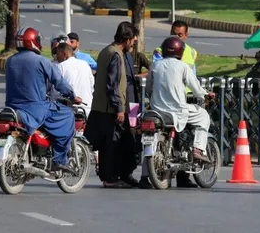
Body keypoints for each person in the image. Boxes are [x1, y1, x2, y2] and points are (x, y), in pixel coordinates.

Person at [5, 28, 80, 174]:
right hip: (36, 108)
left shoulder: (10, 61)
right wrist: (72, 95)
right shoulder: (41, 61)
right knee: (67, 115)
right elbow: (59, 82)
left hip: (12, 108)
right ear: (33, 42)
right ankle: (59, 160)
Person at [86, 21, 140, 188]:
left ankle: (120, 175)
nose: (134, 42)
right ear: (127, 38)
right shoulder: (115, 55)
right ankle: (110, 177)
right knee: (112, 144)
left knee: (121, 143)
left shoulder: (109, 51)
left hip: (115, 107)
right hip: (113, 108)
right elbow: (113, 84)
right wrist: (119, 109)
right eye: (133, 39)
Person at [148, 37, 214, 165]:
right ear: (180, 51)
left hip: (157, 110)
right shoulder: (183, 67)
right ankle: (197, 150)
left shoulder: (155, 65)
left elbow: (149, 87)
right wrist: (206, 95)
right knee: (203, 116)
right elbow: (197, 89)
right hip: (177, 111)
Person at [52, 36, 93, 109]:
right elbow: (92, 85)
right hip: (87, 108)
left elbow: (55, 92)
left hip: (69, 110)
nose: (57, 57)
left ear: (64, 54)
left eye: (58, 54)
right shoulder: (85, 64)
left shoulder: (61, 66)